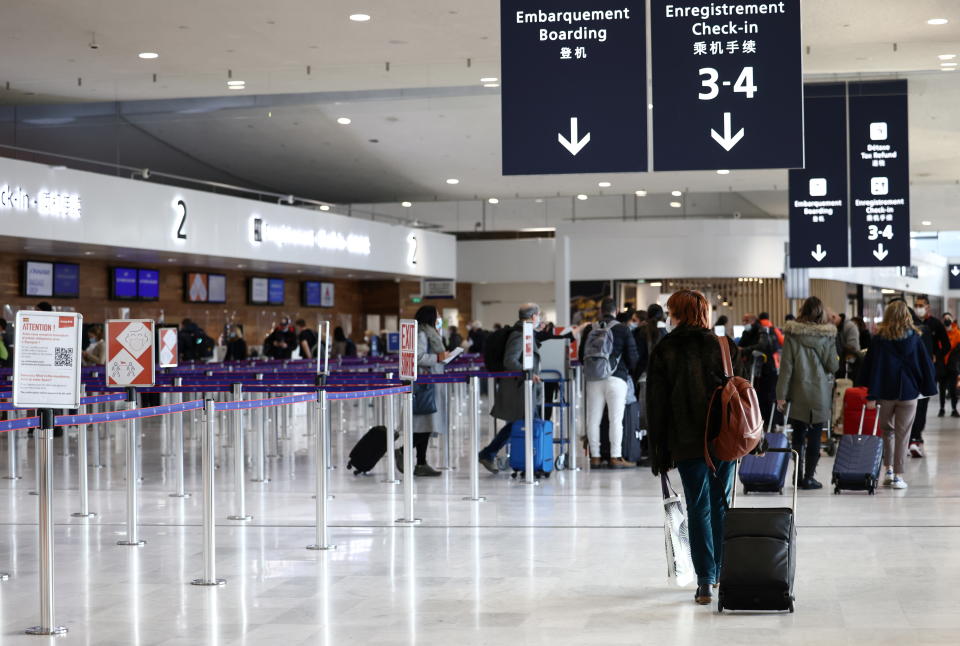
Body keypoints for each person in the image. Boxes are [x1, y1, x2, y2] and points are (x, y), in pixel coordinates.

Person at [647, 290, 740, 605]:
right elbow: (740, 394)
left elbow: (657, 404)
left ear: (677, 313)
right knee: (721, 505)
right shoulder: (723, 346)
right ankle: (723, 572)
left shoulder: (665, 350)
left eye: (670, 311)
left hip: (687, 440)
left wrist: (659, 449)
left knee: (697, 507)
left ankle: (704, 581)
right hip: (723, 439)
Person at [856, 300, 937, 490]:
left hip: (885, 392)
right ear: (907, 316)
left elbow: (870, 368)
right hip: (908, 393)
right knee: (903, 435)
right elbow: (925, 366)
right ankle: (899, 476)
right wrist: (926, 387)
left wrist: (870, 394)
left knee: (887, 432)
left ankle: (889, 470)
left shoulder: (879, 340)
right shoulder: (915, 338)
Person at [775, 297, 839, 490]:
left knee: (798, 436)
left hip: (798, 393)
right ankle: (809, 478)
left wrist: (781, 395)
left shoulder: (792, 335)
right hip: (819, 393)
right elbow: (833, 366)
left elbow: (786, 368)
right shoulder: (828, 336)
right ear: (821, 313)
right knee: (815, 436)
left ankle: (797, 475)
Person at [478, 303, 543, 474]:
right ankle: (532, 461)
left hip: (522, 386)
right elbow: (510, 360)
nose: (539, 318)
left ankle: (490, 453)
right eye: (538, 315)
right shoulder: (519, 334)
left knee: (518, 423)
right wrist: (526, 372)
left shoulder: (525, 332)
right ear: (533, 316)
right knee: (527, 421)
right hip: (518, 387)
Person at [579, 298, 640, 469]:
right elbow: (633, 357)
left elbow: (580, 356)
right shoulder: (622, 329)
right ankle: (615, 457)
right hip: (616, 378)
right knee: (615, 420)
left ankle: (596, 457)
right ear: (616, 310)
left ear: (600, 310)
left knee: (593, 419)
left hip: (593, 379)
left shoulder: (590, 329)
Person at [401, 306, 446, 477]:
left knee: (426, 424)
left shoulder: (431, 333)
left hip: (432, 383)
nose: (440, 317)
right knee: (424, 425)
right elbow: (417, 358)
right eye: (438, 314)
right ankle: (403, 451)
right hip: (425, 385)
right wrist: (438, 358)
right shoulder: (421, 334)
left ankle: (421, 463)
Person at [910, 296, 950, 456]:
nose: (918, 307)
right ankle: (911, 435)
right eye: (916, 305)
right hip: (913, 371)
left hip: (929, 369)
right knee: (911, 403)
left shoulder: (934, 324)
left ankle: (917, 435)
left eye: (921, 305)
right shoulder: (910, 323)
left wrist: (937, 356)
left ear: (927, 307)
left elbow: (946, 344)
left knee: (922, 404)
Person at [938, 313, 960, 417]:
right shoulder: (940, 334)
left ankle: (954, 408)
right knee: (942, 388)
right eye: (945, 319)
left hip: (953, 365)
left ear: (952, 319)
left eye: (948, 318)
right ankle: (942, 408)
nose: (947, 320)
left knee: (953, 389)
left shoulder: (958, 333)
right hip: (942, 365)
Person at [831, 312, 861, 380]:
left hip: (850, 367)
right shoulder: (838, 327)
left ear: (834, 318)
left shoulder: (850, 326)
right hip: (841, 365)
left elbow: (853, 348)